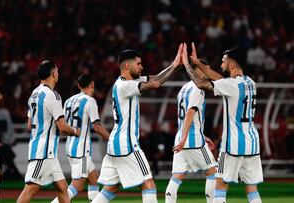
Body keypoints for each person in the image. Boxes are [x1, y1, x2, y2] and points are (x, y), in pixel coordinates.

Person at [92, 44, 183, 203]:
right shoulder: (125, 86)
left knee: (110, 189)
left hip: (115, 143)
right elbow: (155, 84)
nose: (142, 67)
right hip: (127, 145)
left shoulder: (123, 82)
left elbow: (154, 78)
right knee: (148, 184)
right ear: (128, 65)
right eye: (138, 64)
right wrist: (175, 64)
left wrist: (173, 66)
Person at [182, 42, 263, 203]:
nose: (221, 64)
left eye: (223, 61)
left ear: (231, 64)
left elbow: (200, 84)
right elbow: (220, 78)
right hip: (252, 144)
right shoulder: (250, 83)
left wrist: (187, 64)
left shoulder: (230, 85)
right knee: (252, 190)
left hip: (233, 145)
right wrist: (198, 63)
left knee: (220, 185)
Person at [16, 60, 81, 203]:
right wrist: (75, 131)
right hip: (44, 151)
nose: (58, 74)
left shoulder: (33, 94)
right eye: (57, 71)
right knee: (30, 189)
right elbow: (62, 127)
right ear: (52, 74)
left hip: (45, 150)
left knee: (62, 188)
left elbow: (29, 124)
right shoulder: (53, 95)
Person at [51, 73, 110, 203]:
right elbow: (97, 127)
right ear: (92, 85)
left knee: (93, 178)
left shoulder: (68, 101)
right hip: (81, 151)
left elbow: (63, 126)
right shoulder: (90, 101)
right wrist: (111, 140)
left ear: (78, 85)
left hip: (70, 148)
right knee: (77, 185)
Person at [165, 57, 217, 203]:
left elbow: (188, 118)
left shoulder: (184, 88)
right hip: (192, 139)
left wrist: (200, 135)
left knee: (177, 176)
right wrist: (186, 138)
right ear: (198, 70)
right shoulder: (198, 88)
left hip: (182, 137)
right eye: (205, 69)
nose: (207, 72)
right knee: (213, 171)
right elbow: (189, 113)